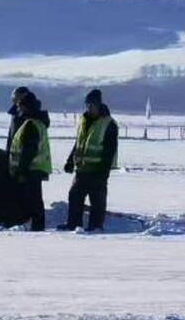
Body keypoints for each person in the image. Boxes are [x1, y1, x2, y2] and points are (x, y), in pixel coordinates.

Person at [58, 89, 119, 232]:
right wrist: (70, 161)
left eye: (91, 105)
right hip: (82, 169)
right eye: (87, 105)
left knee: (97, 202)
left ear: (98, 105)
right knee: (74, 197)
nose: (89, 108)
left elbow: (109, 151)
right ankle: (73, 224)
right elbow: (79, 142)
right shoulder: (83, 120)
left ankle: (95, 227)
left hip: (97, 171)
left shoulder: (108, 123)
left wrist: (104, 172)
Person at [8, 94, 52, 231]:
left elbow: (29, 150)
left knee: (32, 201)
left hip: (31, 169)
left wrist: (21, 170)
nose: (18, 109)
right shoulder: (37, 123)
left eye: (20, 106)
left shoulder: (30, 125)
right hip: (35, 169)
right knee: (35, 200)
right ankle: (36, 225)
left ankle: (36, 227)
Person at [6, 87, 50, 155]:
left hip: (30, 163)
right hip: (15, 159)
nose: (14, 99)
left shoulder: (33, 119)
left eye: (16, 96)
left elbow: (30, 148)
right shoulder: (16, 115)